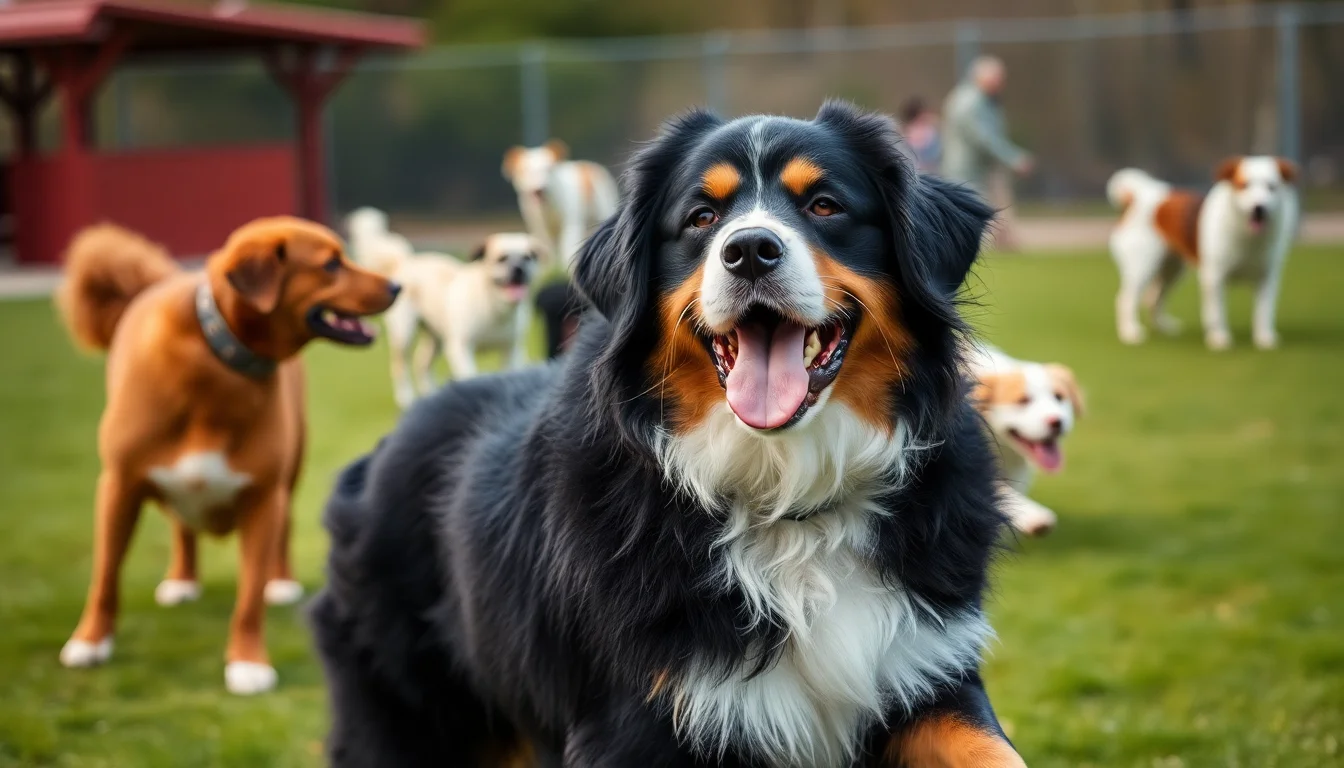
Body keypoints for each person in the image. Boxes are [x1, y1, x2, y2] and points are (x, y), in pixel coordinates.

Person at [942, 55, 1033, 250]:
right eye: (998, 78)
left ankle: (1005, 245)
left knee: (998, 210)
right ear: (984, 78)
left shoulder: (983, 100)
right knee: (974, 212)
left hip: (983, 169)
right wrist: (1014, 158)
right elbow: (984, 139)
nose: (1002, 83)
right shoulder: (970, 103)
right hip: (968, 170)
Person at [899, 97, 942, 174]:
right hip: (931, 174)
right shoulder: (929, 131)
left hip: (914, 174)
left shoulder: (905, 133)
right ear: (921, 113)